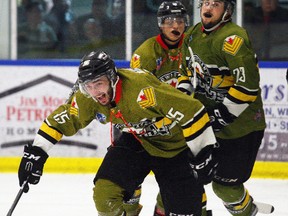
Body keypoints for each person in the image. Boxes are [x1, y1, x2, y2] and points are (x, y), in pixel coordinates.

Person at [17, 50, 218, 215]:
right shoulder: (88, 97)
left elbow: (193, 110)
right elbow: (60, 121)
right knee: (105, 196)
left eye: (99, 84)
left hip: (174, 147)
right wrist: (36, 153)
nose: (95, 92)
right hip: (137, 141)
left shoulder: (142, 90)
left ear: (112, 78)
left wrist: (204, 152)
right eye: (89, 86)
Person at [179, 0, 268, 215]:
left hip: (241, 128)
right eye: (205, 3)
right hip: (206, 124)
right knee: (187, 178)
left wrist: (219, 116)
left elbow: (247, 87)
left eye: (215, 4)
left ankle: (247, 210)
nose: (208, 9)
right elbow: (186, 73)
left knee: (225, 188)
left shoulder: (233, 39)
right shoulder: (191, 35)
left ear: (227, 11)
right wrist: (182, 98)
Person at [130, 2, 211, 215]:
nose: (175, 25)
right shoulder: (146, 53)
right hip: (154, 129)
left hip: (186, 126)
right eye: (169, 21)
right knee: (130, 186)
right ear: (160, 24)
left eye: (180, 20)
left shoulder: (195, 46)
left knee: (189, 183)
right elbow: (135, 95)